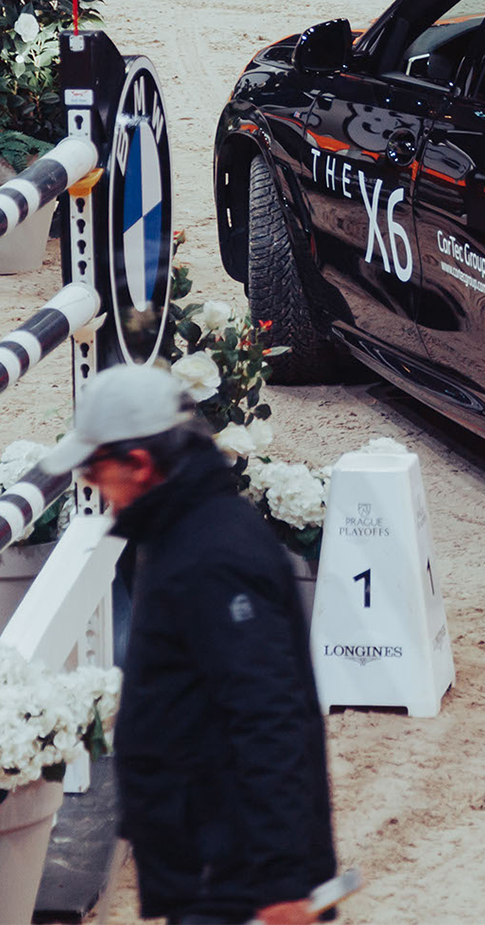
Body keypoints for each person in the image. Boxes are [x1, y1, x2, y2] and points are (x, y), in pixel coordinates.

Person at [46, 364, 339, 924]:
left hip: (234, 873)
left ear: (139, 464)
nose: (92, 485)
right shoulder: (184, 532)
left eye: (93, 469)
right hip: (212, 859)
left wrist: (282, 879)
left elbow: (268, 714)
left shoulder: (210, 557)